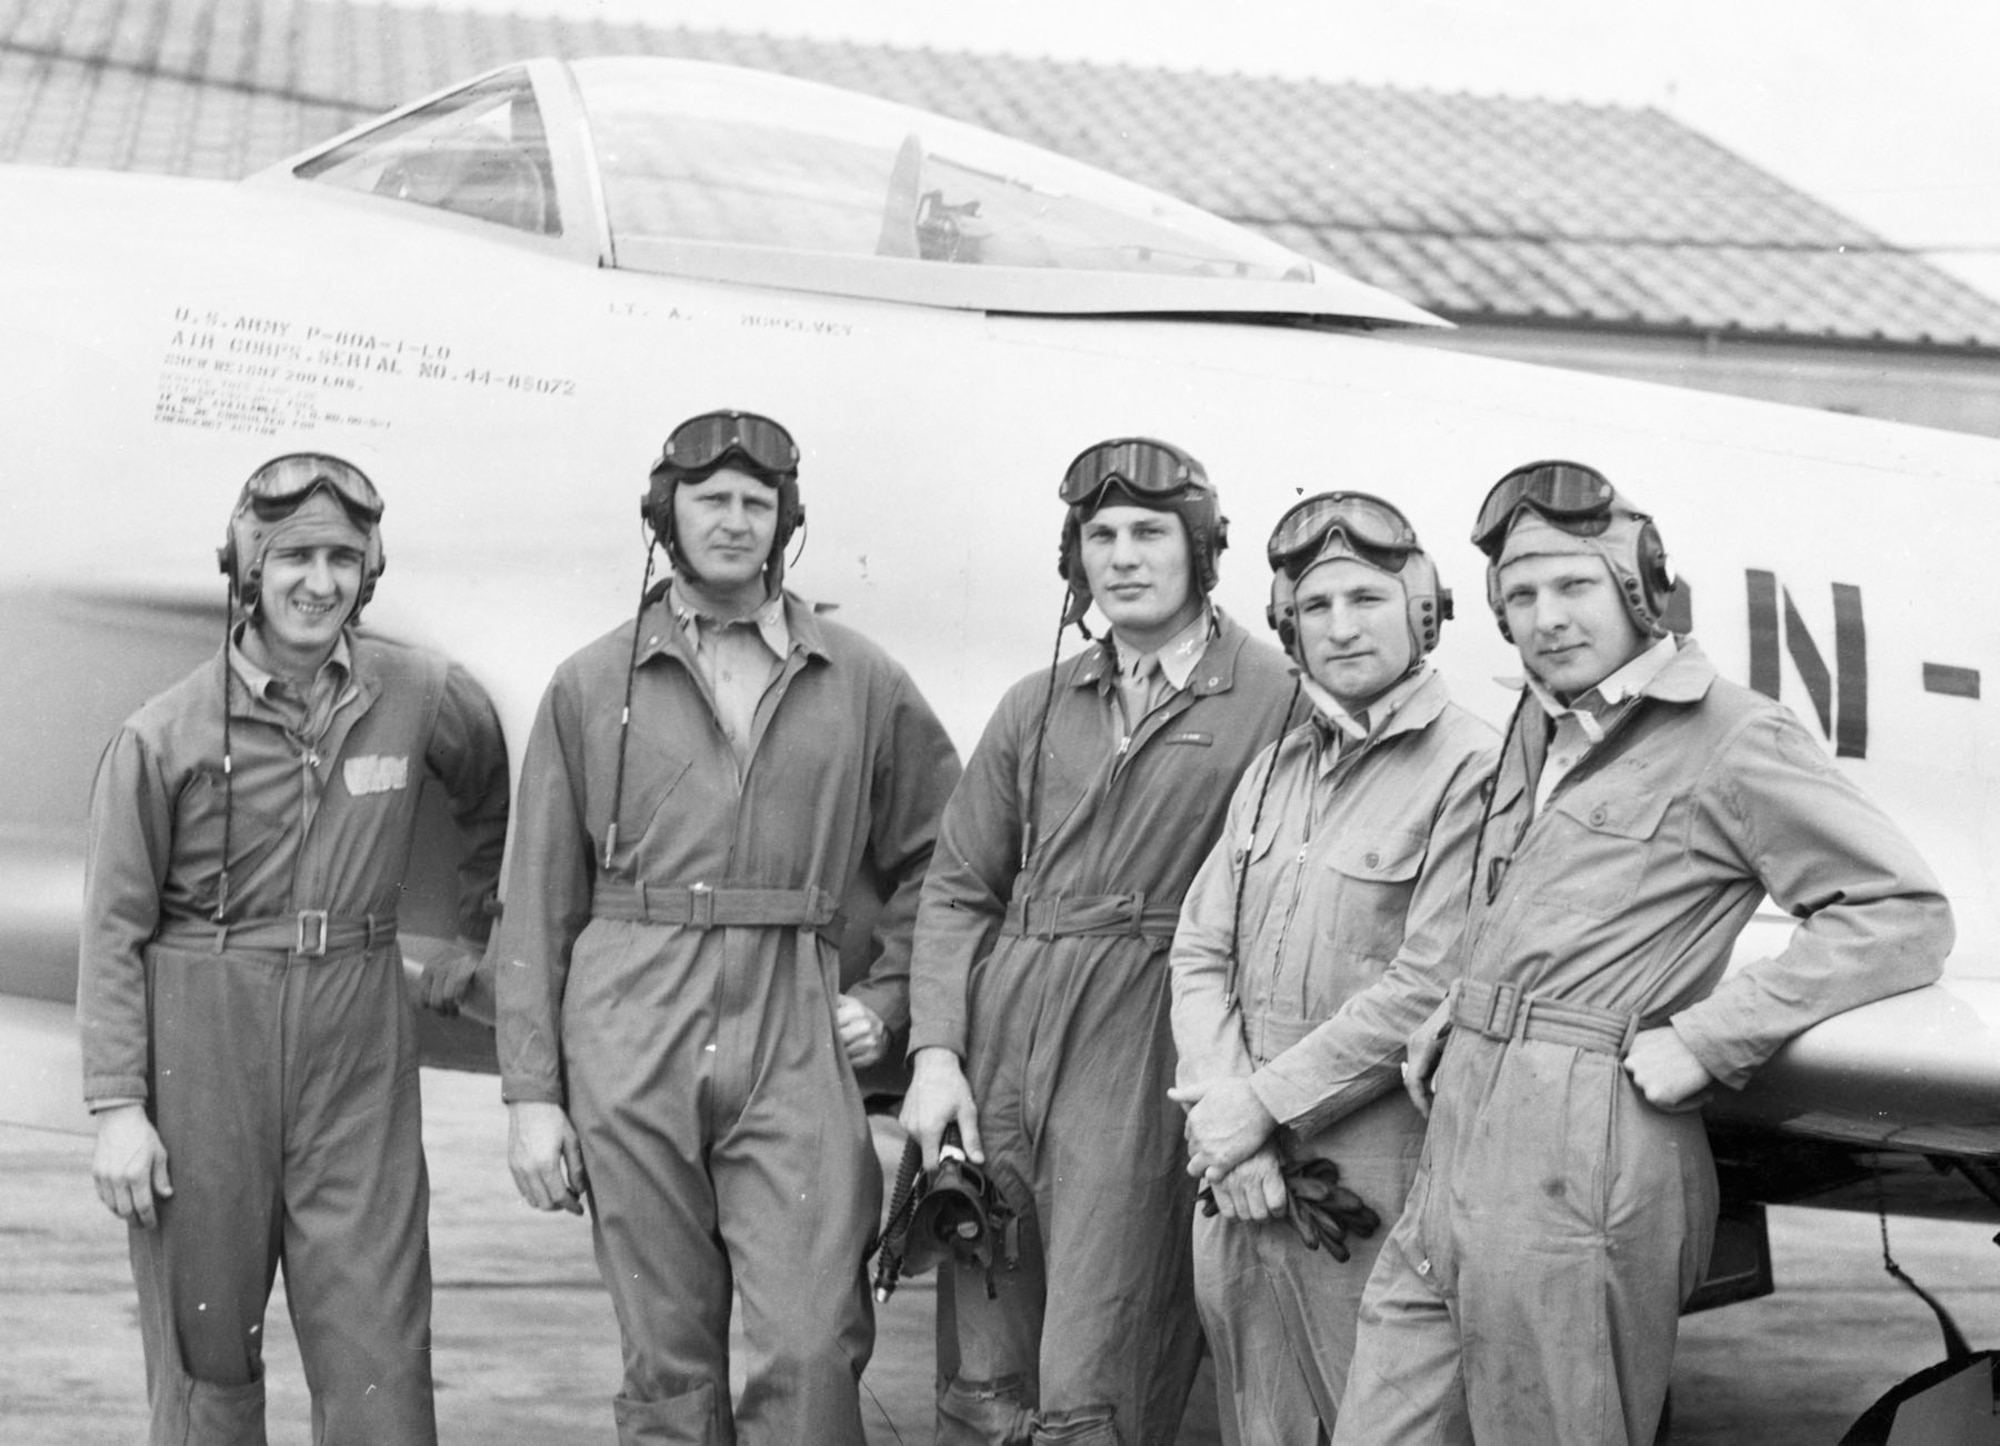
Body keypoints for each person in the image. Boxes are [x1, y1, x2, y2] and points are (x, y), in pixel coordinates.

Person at [1333, 460, 1955, 1446]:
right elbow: (1535, 906)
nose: (1546, 617)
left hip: (1589, 1153)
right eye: (1521, 596)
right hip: (1460, 1143)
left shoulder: (1731, 737)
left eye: (1574, 586)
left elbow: (1898, 912)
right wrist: (1464, 1002)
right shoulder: (1536, 729)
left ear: (1635, 590)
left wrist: (1715, 1037)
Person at [496, 409, 960, 1445]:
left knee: (810, 1343)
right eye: (713, 500)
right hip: (629, 1023)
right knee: (665, 1356)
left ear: (786, 522)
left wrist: (885, 1001)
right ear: (666, 514)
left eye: (758, 503)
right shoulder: (588, 683)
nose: (736, 521)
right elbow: (533, 899)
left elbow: (945, 858)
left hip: (794, 1024)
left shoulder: (859, 679)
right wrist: (531, 1095)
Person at [79, 453, 511, 1445]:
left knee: (379, 1360)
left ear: (372, 570)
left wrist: (471, 940)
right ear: (246, 566)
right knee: (206, 1365)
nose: (321, 582)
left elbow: (491, 794)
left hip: (357, 1042)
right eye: (295, 557)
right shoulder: (164, 735)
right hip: (203, 1043)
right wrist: (117, 1109)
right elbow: (114, 926)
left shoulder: (420, 692)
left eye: (344, 559)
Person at [900, 437, 1300, 1445]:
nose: (1120, 555)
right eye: (1098, 535)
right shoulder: (1034, 702)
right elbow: (956, 889)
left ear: (1202, 549)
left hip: (1147, 1038)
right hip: (1004, 1046)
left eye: (1148, 533)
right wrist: (936, 1055)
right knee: (983, 1359)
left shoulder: (1275, 698)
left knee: (1102, 1351)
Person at [1167, 491, 1496, 1445]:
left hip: (1369, 1181)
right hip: (1237, 1173)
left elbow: (1430, 983)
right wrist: (1229, 1116)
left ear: (1421, 614)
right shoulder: (1274, 769)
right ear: (1288, 629)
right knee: (1259, 1426)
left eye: (1368, 599)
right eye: (1316, 608)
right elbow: (1200, 949)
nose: (1341, 628)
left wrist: (1258, 1108)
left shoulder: (1475, 767)